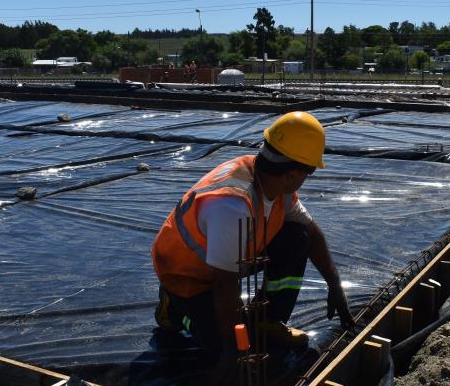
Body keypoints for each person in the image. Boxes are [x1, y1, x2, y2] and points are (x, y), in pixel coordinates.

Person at [151, 111, 355, 363]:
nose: (307, 178)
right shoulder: (232, 206)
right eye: (309, 172)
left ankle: (268, 319)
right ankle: (172, 309)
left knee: (297, 236)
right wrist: (235, 349)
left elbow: (311, 234)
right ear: (292, 173)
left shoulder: (275, 183)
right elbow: (224, 285)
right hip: (186, 275)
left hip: (227, 260)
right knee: (219, 342)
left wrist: (335, 285)